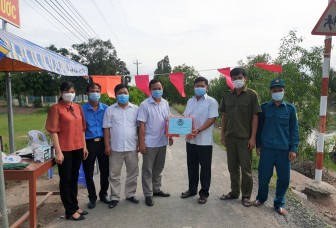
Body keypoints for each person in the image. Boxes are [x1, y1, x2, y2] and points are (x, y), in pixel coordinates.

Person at [252, 78, 299, 215]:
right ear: (270, 92)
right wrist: (259, 145)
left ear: (284, 91)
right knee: (263, 176)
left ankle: (279, 203)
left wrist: (293, 148)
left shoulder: (290, 109)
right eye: (274, 90)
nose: (277, 92)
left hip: (284, 151)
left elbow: (294, 130)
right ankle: (261, 198)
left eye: (280, 90)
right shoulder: (264, 108)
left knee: (283, 179)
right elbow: (259, 128)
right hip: (267, 150)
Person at [46, 81, 89, 221]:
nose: (70, 94)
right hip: (64, 149)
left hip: (77, 148)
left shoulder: (77, 107)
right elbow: (53, 131)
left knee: (74, 178)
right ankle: (69, 210)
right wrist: (58, 152)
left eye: (72, 91)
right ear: (61, 93)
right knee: (66, 179)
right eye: (67, 91)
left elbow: (82, 129)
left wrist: (84, 146)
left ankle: (75, 206)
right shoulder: (56, 108)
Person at [220, 67, 261, 207]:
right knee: (232, 167)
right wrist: (222, 134)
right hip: (230, 137)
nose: (237, 80)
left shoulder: (251, 95)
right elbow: (224, 116)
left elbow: (255, 117)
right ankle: (234, 192)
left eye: (239, 77)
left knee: (246, 169)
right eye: (234, 78)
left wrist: (253, 138)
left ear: (245, 78)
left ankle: (246, 195)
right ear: (231, 80)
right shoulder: (227, 96)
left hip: (245, 139)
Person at [181, 76, 219, 204]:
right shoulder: (190, 101)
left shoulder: (211, 101)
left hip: (204, 141)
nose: (199, 88)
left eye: (202, 86)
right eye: (197, 86)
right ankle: (192, 190)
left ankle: (204, 193)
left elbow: (212, 119)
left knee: (205, 168)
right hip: (190, 140)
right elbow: (185, 117)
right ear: (193, 87)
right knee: (191, 166)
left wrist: (198, 130)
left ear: (207, 87)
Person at [137, 79, 173, 206]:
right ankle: (148, 194)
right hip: (149, 143)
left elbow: (169, 121)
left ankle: (156, 189)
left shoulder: (165, 103)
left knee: (158, 168)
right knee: (147, 169)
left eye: (159, 88)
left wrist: (171, 136)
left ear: (162, 88)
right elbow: (141, 125)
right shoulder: (144, 105)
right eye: (154, 88)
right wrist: (141, 143)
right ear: (150, 90)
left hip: (162, 141)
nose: (157, 91)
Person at [103, 84, 140, 209]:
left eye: (125, 92)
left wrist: (140, 142)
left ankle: (130, 194)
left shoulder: (136, 109)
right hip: (115, 148)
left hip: (132, 147)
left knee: (133, 173)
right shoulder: (110, 110)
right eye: (119, 93)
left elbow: (140, 127)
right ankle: (114, 197)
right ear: (116, 95)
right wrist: (107, 145)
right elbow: (107, 129)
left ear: (128, 93)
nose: (122, 95)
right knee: (114, 174)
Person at [82, 83, 110, 209]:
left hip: (103, 143)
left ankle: (103, 194)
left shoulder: (106, 108)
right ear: (87, 93)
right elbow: (80, 130)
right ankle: (92, 197)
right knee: (88, 172)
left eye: (97, 91)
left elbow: (109, 128)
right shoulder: (81, 110)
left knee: (105, 171)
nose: (95, 93)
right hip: (89, 143)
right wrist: (84, 146)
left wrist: (108, 144)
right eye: (92, 91)